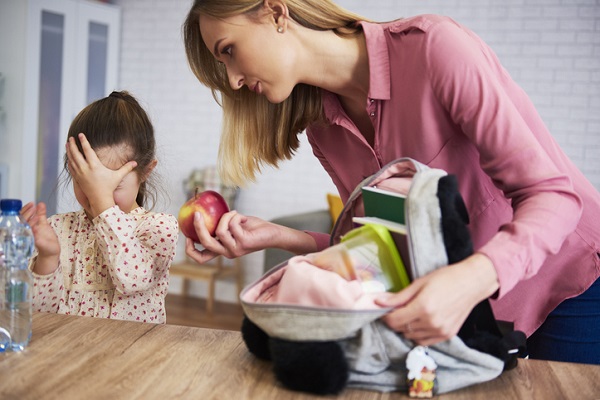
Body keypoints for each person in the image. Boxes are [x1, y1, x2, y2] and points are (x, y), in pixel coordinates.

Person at [182, 0, 600, 364]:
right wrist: (278, 235)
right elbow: (379, 249)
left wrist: (471, 278)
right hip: (479, 306)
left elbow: (553, 196)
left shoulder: (435, 49)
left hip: (571, 279)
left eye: (229, 51)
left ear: (276, 12)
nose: (234, 79)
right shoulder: (324, 131)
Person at [20, 91, 179, 324]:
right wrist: (48, 257)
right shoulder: (58, 229)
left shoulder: (159, 228)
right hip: (71, 352)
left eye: (111, 185)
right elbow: (39, 312)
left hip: (133, 356)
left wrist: (102, 202)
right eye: (85, 182)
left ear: (145, 172)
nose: (96, 195)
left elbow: (132, 279)